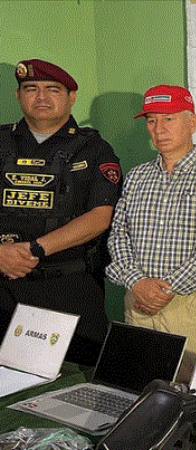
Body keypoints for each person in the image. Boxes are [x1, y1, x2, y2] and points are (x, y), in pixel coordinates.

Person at [106, 85, 196, 382]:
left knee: (194, 390)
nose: (159, 129)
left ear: (193, 123)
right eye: (152, 121)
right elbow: (118, 235)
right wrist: (137, 282)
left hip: (191, 305)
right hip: (138, 301)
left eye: (169, 119)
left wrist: (166, 290)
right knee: (139, 384)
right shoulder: (137, 176)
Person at [0, 59, 121, 366]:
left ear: (72, 97)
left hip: (70, 288)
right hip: (3, 287)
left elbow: (100, 216)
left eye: (52, 89)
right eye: (31, 88)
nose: (41, 97)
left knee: (79, 378)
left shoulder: (94, 149)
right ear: (18, 95)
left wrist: (33, 250)